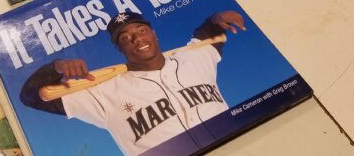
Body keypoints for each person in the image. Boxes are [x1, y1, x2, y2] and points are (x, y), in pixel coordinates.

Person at [20, 10, 246, 155]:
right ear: (120, 48)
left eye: (142, 30)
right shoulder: (102, 92)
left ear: (154, 34)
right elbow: (31, 97)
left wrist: (216, 18)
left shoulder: (193, 57)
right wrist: (56, 67)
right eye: (126, 38)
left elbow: (208, 32)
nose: (137, 38)